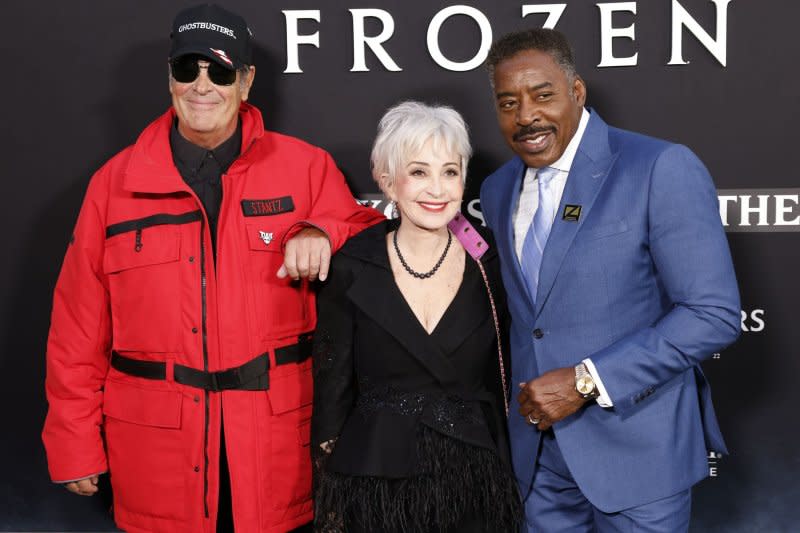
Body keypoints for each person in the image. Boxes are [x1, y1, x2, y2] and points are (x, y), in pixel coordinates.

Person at [41, 4, 383, 532]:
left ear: (246, 82)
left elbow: (370, 240)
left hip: (274, 452)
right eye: (188, 69)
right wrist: (72, 441)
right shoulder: (114, 185)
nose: (203, 87)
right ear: (170, 78)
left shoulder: (306, 167)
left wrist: (322, 231)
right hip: (155, 455)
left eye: (221, 72)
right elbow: (77, 327)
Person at [479, 29, 741, 532]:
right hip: (538, 458)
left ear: (577, 92)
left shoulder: (659, 166)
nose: (526, 116)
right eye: (508, 102)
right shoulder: (497, 189)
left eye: (543, 95)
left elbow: (713, 313)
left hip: (638, 451)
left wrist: (586, 380)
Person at [311, 101, 522, 533]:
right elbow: (332, 388)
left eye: (450, 171)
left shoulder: (492, 261)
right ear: (388, 181)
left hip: (474, 483)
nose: (438, 189)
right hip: (374, 485)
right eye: (419, 172)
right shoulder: (351, 265)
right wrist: (328, 496)